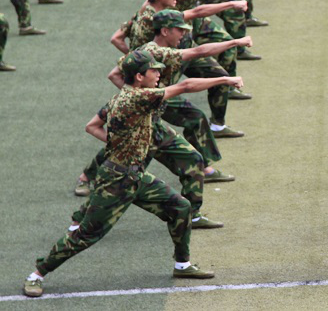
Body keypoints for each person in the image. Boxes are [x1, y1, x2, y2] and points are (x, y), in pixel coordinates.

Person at [22, 50, 243, 298]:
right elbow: (186, 85)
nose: (159, 74)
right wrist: (226, 79)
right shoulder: (138, 98)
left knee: (180, 207)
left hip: (136, 176)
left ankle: (182, 265)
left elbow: (92, 126)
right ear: (139, 76)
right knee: (86, 235)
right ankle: (37, 274)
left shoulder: (119, 98)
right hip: (116, 180)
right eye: (154, 71)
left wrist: (117, 144)